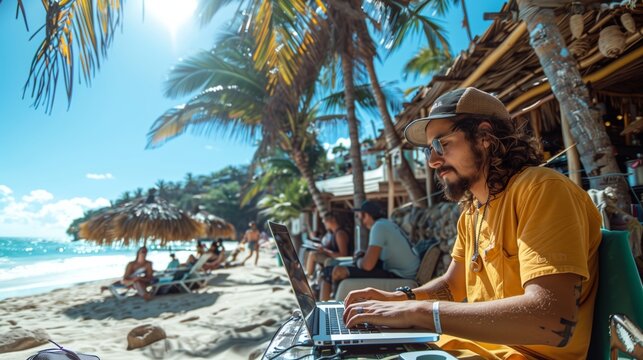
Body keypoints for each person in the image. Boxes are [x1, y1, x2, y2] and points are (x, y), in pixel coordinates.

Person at [342, 87, 602, 359]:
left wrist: (418, 313)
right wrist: (401, 299)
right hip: (469, 347)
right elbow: (452, 286)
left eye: (441, 144)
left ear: (485, 136)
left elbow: (550, 321)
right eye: (429, 150)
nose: (432, 161)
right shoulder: (472, 212)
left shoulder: (541, 190)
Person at [321, 201, 419, 300]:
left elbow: (368, 265)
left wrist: (359, 261)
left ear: (366, 215)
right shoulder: (386, 224)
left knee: (335, 272)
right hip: (400, 271)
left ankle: (323, 309)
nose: (360, 219)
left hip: (401, 276)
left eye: (360, 215)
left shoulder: (378, 227)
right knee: (331, 268)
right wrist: (362, 257)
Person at [305, 212, 352, 278]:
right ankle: (309, 275)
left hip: (340, 261)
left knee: (313, 255)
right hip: (333, 258)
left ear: (332, 220)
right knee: (312, 253)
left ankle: (307, 277)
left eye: (325, 221)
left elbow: (343, 255)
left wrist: (324, 251)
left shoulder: (340, 234)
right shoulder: (333, 233)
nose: (324, 224)